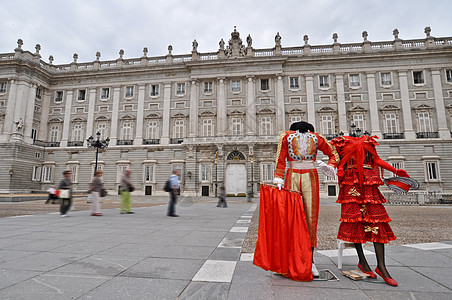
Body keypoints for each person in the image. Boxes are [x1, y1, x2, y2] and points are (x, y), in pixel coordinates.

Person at [330, 134, 411, 287]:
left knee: (377, 222)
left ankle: (381, 266)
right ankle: (363, 262)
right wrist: (331, 168)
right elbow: (335, 160)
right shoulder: (340, 143)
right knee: (354, 222)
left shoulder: (369, 141)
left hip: (368, 180)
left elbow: (376, 160)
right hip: (350, 181)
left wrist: (394, 170)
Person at [273, 121, 339, 277]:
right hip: (292, 175)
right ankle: (288, 259)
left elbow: (333, 155)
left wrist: (329, 167)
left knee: (311, 218)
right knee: (290, 218)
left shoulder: (317, 138)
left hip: (310, 174)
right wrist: (278, 178)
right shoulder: (287, 138)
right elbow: (281, 158)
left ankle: (310, 260)